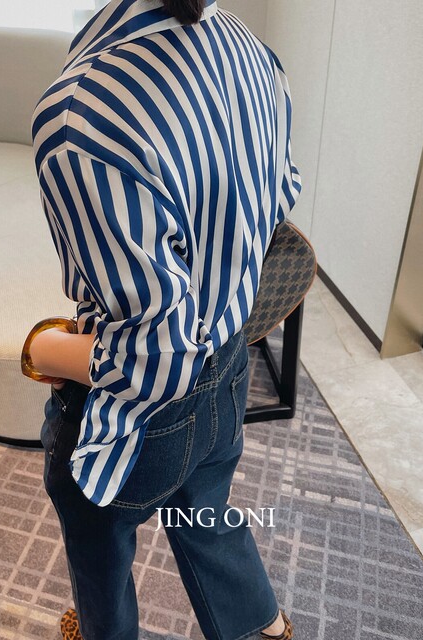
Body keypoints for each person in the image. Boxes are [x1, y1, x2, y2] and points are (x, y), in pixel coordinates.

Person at [27, 0, 302, 638]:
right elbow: (280, 195)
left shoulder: (81, 117)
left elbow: (154, 357)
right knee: (206, 515)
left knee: (98, 545)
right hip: (228, 364)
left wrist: (41, 348)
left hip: (133, 415)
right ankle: (264, 628)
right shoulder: (246, 47)